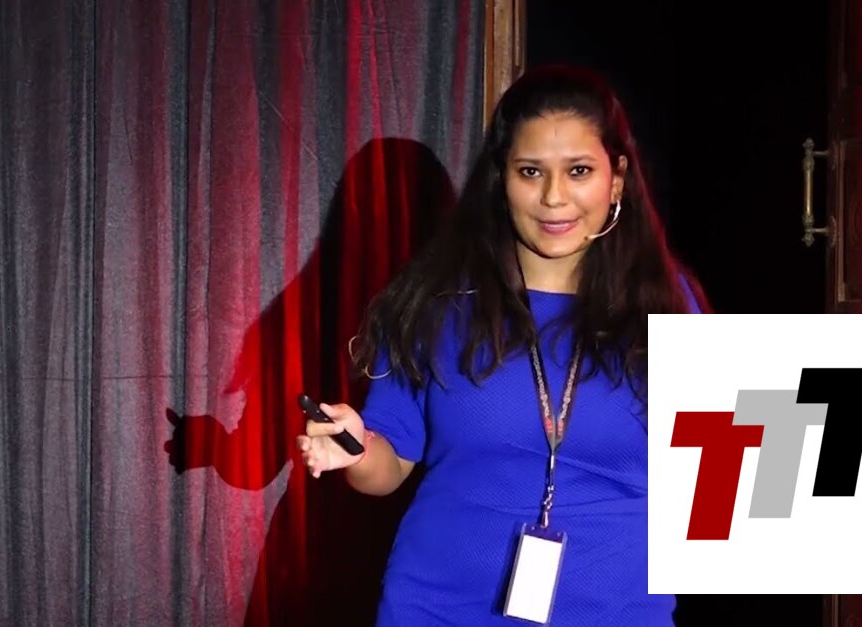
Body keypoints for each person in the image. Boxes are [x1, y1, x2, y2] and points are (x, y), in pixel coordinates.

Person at [295, 64, 707, 626]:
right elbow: (388, 466)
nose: (554, 197)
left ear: (616, 179)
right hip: (439, 610)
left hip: (617, 612)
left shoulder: (670, 305)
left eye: (579, 171)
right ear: (501, 178)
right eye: (531, 171)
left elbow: (718, 481)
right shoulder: (438, 299)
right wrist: (358, 448)